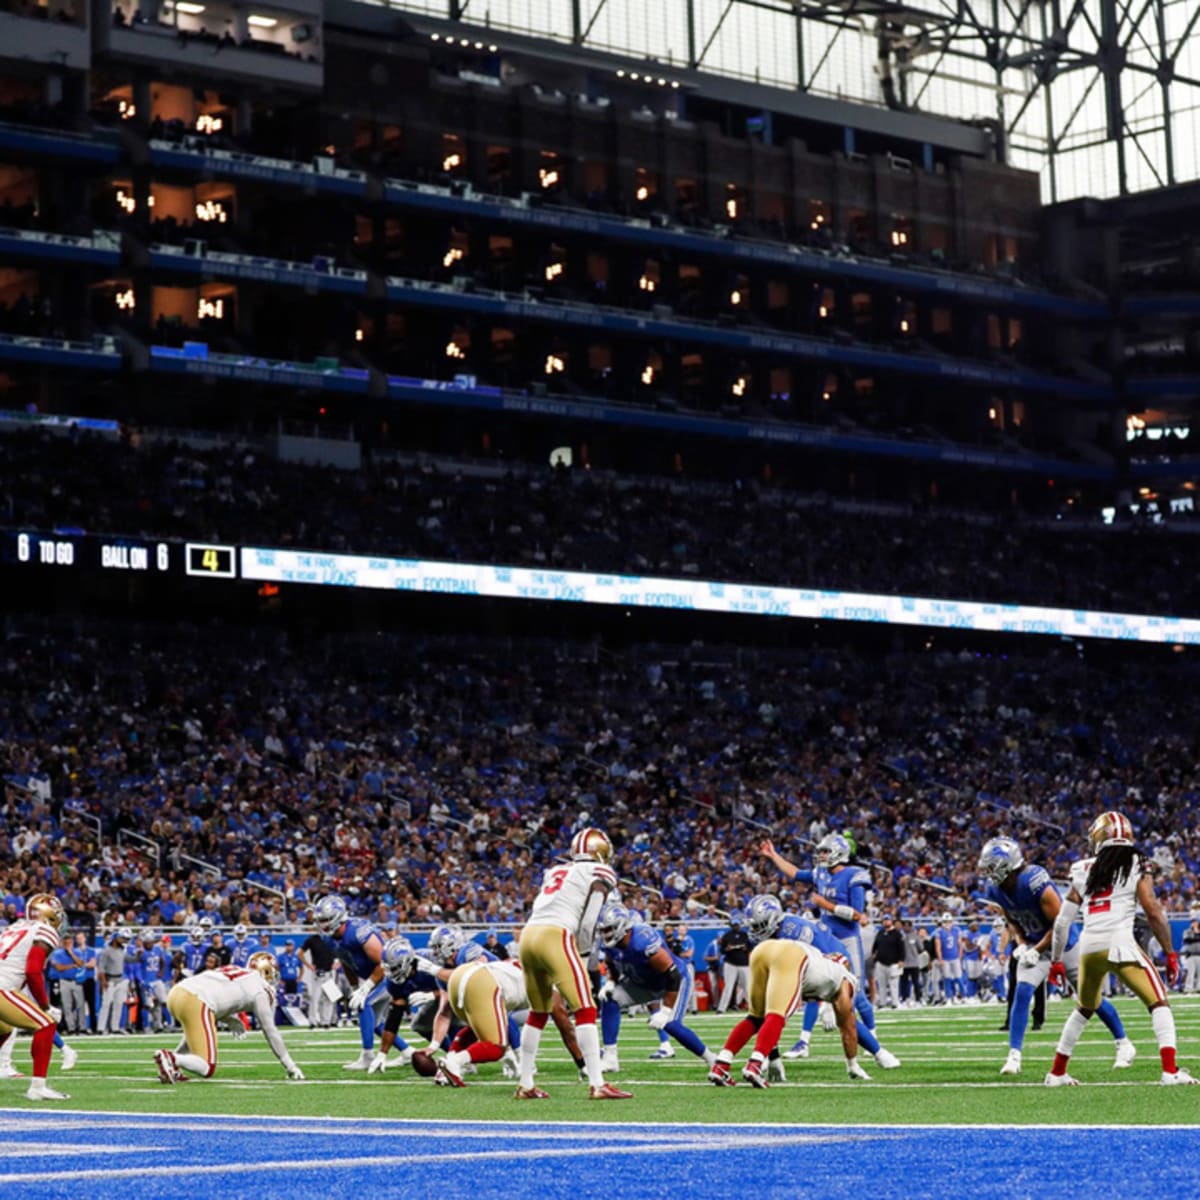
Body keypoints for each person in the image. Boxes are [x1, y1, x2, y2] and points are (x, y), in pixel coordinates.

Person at [1045, 811, 1195, 1087]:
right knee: (1159, 1001)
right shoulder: (1137, 861)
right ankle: (1170, 1070)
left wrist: (1056, 960)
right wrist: (1170, 953)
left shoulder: (1082, 869)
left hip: (1089, 946)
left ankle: (1056, 1073)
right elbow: (1152, 910)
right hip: (1120, 943)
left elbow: (1063, 921)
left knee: (1084, 1008)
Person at [978, 835, 1134, 1077]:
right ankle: (1014, 1056)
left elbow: (1060, 923)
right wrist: (1020, 944)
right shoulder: (995, 890)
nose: (988, 872)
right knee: (1022, 991)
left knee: (1089, 998)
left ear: (1007, 864)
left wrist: (1036, 949)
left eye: (992, 866)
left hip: (1066, 944)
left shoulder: (1033, 882)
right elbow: (1012, 920)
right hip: (1034, 946)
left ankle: (1124, 1043)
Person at [514, 826, 630, 1100]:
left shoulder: (556, 871)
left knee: (538, 1012)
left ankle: (526, 1083)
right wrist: (584, 955)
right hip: (557, 934)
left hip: (529, 935)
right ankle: (598, 1083)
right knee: (586, 1008)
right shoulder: (599, 872)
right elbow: (589, 919)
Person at [744, 895, 900, 1071]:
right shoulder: (768, 936)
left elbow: (832, 960)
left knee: (844, 1013)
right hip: (801, 967)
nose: (755, 930)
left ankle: (879, 1052)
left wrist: (828, 1003)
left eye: (759, 925)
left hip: (834, 960)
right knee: (770, 1008)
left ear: (773, 919)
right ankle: (771, 1055)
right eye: (753, 925)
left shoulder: (795, 930)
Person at [707, 937, 871, 1087]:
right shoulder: (845, 977)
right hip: (791, 956)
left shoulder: (822, 962)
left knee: (755, 1017)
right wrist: (852, 1064)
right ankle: (755, 1065)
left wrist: (774, 1056)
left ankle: (721, 1064)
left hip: (763, 949)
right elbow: (848, 1027)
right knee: (777, 1015)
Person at [595, 903, 717, 1073]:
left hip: (674, 980)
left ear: (623, 927)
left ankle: (712, 1059)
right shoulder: (610, 944)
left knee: (670, 1024)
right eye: (604, 930)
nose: (605, 934)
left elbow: (672, 975)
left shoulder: (642, 941)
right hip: (645, 982)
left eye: (609, 929)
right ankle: (610, 1059)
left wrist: (665, 1011)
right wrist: (611, 982)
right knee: (610, 999)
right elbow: (611, 963)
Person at [155, 952, 304, 1083]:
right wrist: (290, 1065)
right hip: (197, 1000)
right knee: (207, 1067)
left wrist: (229, 1019)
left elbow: (221, 996)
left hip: (176, 993)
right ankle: (172, 1058)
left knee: (197, 1028)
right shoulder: (261, 989)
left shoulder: (237, 972)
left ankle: (172, 1065)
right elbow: (270, 1030)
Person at [760, 835, 872, 986]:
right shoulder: (821, 873)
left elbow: (857, 914)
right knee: (827, 984)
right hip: (826, 938)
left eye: (826, 851)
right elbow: (795, 873)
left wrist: (825, 904)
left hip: (847, 938)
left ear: (839, 852)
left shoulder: (853, 875)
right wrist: (774, 856)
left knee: (855, 985)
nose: (822, 855)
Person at [0, 893, 71, 1100]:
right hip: (2, 987)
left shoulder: (13, 928)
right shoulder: (44, 930)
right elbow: (33, 971)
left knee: (5, 1028)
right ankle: (38, 1087)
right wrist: (45, 1005)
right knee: (46, 1024)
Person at [313, 894, 390, 1069]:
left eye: (325, 920)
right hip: (374, 977)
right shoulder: (329, 938)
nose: (322, 925)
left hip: (391, 974)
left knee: (364, 1004)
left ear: (337, 917)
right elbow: (347, 961)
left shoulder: (359, 932)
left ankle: (368, 1055)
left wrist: (366, 988)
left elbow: (384, 964)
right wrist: (355, 987)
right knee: (374, 1022)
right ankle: (407, 1051)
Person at [299, 926, 337, 1026]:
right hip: (318, 973)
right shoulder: (312, 939)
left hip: (329, 972)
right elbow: (300, 953)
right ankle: (313, 1020)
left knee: (329, 997)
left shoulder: (332, 939)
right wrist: (308, 965)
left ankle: (326, 1021)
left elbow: (343, 951)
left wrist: (339, 963)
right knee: (315, 997)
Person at [96, 926, 131, 1034]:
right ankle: (101, 1028)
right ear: (117, 938)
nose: (125, 941)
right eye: (123, 939)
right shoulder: (106, 951)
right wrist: (103, 981)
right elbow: (101, 967)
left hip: (120, 979)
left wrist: (138, 956)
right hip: (109, 979)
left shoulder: (122, 950)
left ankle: (114, 1027)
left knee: (118, 1004)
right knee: (106, 1004)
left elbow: (129, 959)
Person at [715, 913, 751, 1012]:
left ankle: (752, 1007)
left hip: (744, 963)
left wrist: (745, 948)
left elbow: (749, 947)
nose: (736, 927)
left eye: (737, 925)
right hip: (731, 963)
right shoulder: (727, 936)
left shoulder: (745, 935)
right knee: (729, 986)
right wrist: (727, 948)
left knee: (747, 986)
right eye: (734, 925)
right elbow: (722, 950)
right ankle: (721, 1008)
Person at [873, 912, 906, 1010]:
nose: (886, 922)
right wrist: (874, 954)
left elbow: (902, 948)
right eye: (884, 920)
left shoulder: (897, 934)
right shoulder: (880, 933)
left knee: (894, 985)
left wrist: (901, 960)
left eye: (887, 920)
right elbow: (875, 945)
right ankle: (882, 1003)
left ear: (891, 921)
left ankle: (895, 1003)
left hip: (893, 963)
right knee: (881, 985)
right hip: (881, 962)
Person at [1183, 916, 1200, 993]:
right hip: (1191, 954)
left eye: (1195, 922)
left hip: (1199, 954)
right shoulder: (1187, 931)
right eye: (1193, 922)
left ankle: (1198, 988)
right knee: (1191, 972)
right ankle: (1188, 988)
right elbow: (1187, 940)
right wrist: (1196, 933)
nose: (1194, 923)